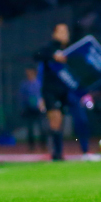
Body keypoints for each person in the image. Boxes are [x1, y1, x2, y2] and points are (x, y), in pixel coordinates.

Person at [33, 23, 72, 160]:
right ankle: (56, 152)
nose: (64, 35)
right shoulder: (49, 48)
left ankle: (59, 149)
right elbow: (37, 55)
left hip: (66, 90)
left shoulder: (71, 49)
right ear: (54, 34)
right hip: (50, 90)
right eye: (61, 32)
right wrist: (53, 56)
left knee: (61, 120)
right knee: (54, 119)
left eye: (65, 32)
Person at [19, 68, 44, 150]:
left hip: (39, 108)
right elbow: (22, 97)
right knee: (30, 128)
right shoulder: (24, 84)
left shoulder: (39, 83)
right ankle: (31, 146)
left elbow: (43, 95)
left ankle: (43, 145)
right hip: (29, 108)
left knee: (42, 127)